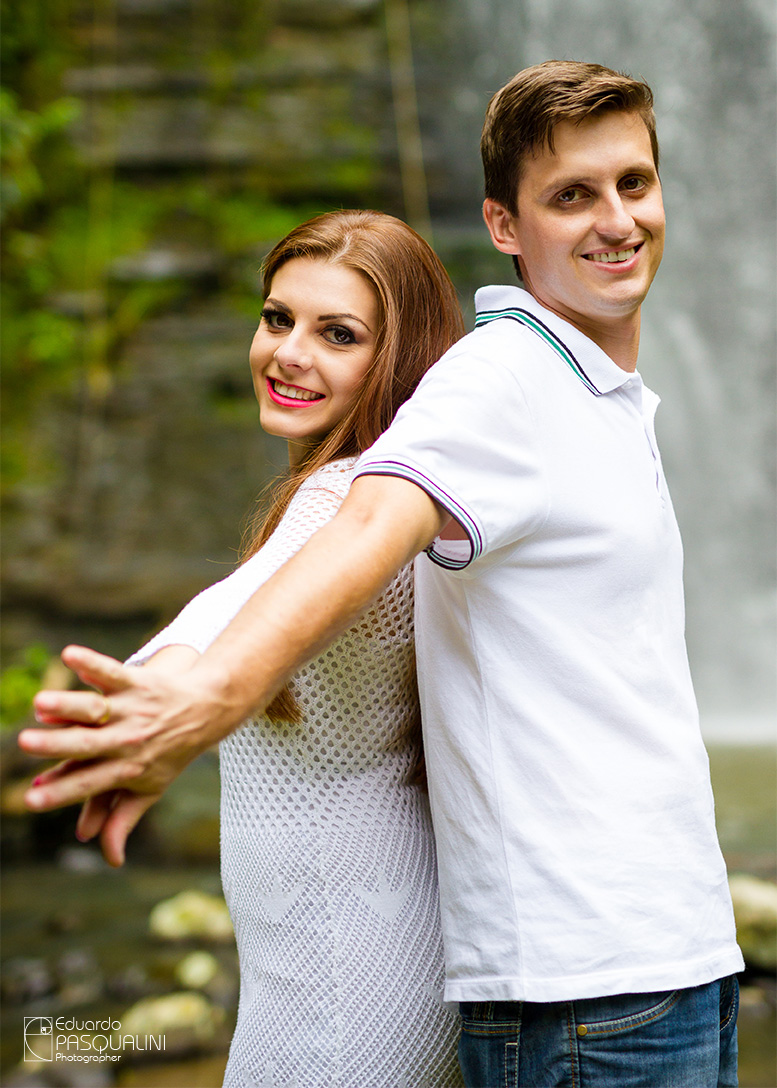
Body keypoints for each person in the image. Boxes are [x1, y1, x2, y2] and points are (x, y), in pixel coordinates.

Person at [23, 62, 744, 1088]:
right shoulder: (500, 382)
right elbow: (332, 544)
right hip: (578, 982)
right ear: (503, 222)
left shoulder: (581, 395)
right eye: (571, 195)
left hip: (633, 962)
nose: (615, 219)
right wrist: (185, 694)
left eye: (633, 183)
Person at [28, 209, 467, 1087]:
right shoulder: (400, 495)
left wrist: (147, 702)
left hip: (342, 974)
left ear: (400, 358)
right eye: (276, 318)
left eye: (336, 334)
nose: (287, 353)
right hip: (377, 950)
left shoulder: (349, 497)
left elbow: (226, 617)